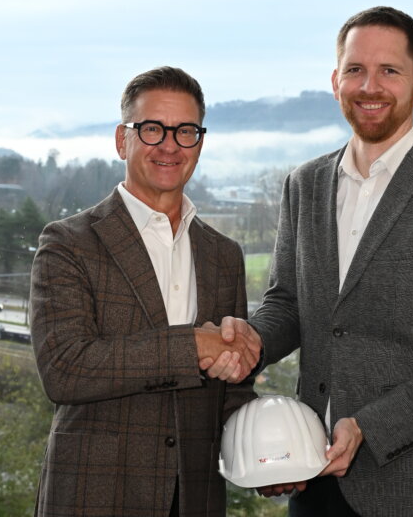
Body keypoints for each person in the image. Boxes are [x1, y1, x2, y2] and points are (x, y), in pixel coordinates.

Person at [202, 7, 413, 516]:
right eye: (355, 69)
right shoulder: (304, 184)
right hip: (310, 475)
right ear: (335, 81)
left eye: (389, 70)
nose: (370, 86)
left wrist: (370, 426)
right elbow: (288, 303)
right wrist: (249, 342)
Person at [30, 66, 259, 517]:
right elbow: (64, 369)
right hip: (93, 498)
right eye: (153, 128)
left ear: (199, 143)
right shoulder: (68, 243)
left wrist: (273, 451)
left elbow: (231, 392)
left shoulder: (224, 255)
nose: (170, 145)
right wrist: (193, 345)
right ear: (123, 140)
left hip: (194, 500)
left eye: (185, 131)